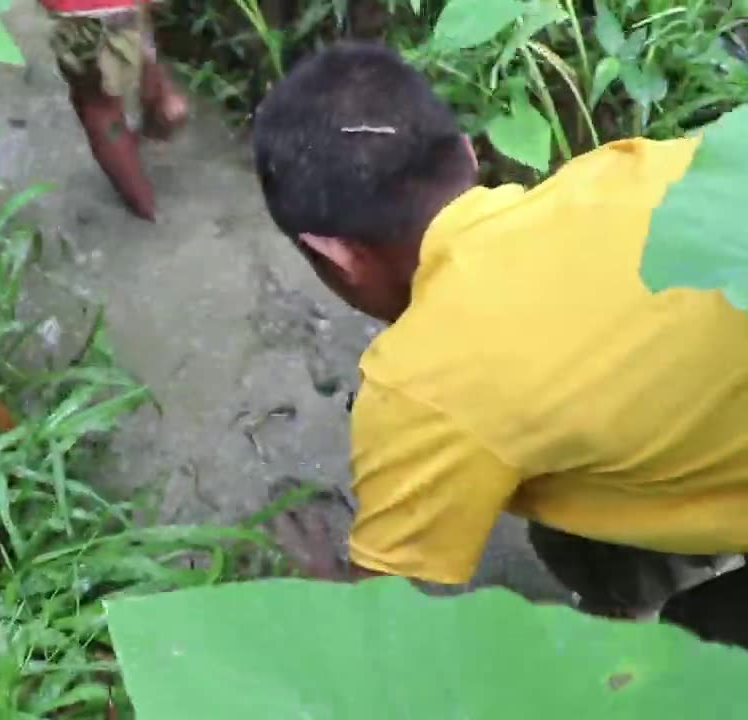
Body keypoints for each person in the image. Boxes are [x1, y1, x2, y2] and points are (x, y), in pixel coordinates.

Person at [250, 41, 748, 644]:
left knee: (696, 653)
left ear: (338, 256)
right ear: (467, 153)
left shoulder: (423, 387)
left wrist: (329, 589)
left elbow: (386, 632)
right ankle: (641, 581)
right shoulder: (624, 168)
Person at [38, 0, 189, 221]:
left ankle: (148, 212)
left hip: (81, 11)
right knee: (138, 44)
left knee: (98, 107)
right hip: (124, 8)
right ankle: (161, 108)